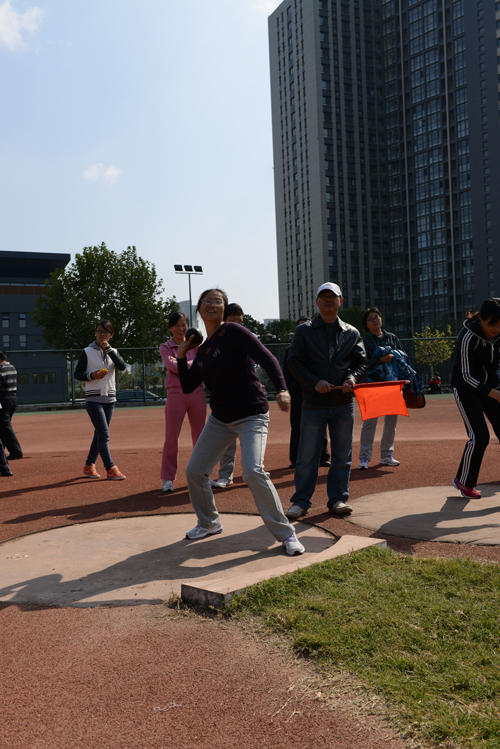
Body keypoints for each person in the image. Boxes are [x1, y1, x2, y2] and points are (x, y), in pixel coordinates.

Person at [177, 288, 304, 556]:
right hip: (220, 420)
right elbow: (188, 385)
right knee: (195, 471)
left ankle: (286, 533)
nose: (212, 304)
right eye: (207, 301)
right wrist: (181, 355)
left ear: (224, 308)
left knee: (252, 471)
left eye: (218, 301)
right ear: (199, 309)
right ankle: (209, 523)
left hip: (251, 414)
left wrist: (282, 388)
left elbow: (267, 357)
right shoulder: (203, 350)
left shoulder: (234, 331)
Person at [285, 282, 367, 518]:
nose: (328, 300)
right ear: (317, 302)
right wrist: (314, 382)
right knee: (307, 456)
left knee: (342, 455)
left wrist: (351, 378)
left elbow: (361, 363)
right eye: (324, 296)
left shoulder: (352, 332)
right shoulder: (304, 331)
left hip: (343, 404)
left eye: (333, 296)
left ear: (341, 301)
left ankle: (338, 499)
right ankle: (301, 501)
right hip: (313, 403)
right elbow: (293, 362)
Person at [451, 297, 500, 499]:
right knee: (479, 437)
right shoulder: (467, 336)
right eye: (492, 324)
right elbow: (465, 376)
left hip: (493, 385)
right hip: (466, 389)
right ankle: (464, 481)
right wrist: (495, 394)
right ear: (481, 319)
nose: (496, 329)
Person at [159, 312, 206, 492]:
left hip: (197, 393)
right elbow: (173, 366)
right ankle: (168, 479)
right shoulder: (165, 347)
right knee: (171, 439)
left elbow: (198, 363)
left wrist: (183, 361)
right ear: (170, 328)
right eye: (177, 325)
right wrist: (193, 363)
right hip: (175, 395)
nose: (181, 328)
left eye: (184, 324)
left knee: (200, 438)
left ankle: (202, 475)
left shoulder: (197, 344)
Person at [74, 320, 127, 480]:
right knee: (103, 433)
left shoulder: (113, 351)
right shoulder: (87, 351)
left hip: (110, 398)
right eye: (99, 331)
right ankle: (110, 467)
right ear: (95, 333)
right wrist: (92, 376)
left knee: (99, 433)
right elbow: (77, 374)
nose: (101, 334)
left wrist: (109, 350)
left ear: (111, 335)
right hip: (93, 399)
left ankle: (89, 464)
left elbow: (122, 366)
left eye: (105, 332)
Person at [357, 307, 403, 470]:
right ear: (366, 324)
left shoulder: (392, 338)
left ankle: (386, 455)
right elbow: (362, 364)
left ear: (381, 319)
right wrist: (381, 360)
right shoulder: (364, 341)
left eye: (377, 317)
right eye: (371, 318)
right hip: (373, 385)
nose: (375, 320)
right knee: (370, 423)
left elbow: (402, 358)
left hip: (392, 384)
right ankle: (364, 457)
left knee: (391, 423)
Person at [282, 317, 330, 469]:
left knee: (321, 422)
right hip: (298, 392)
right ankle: (295, 458)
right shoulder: (290, 350)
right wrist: (292, 389)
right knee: (297, 424)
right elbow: (286, 372)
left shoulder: (321, 348)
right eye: (300, 327)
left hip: (318, 391)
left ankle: (323, 457)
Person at [210, 303, 245, 489]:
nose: (237, 318)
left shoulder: (249, 337)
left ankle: (252, 473)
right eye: (233, 315)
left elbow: (257, 362)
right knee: (227, 442)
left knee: (250, 442)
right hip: (226, 398)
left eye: (240, 315)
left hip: (247, 398)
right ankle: (225, 476)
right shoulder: (218, 339)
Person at [0, 351, 23, 460]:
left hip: (3, 399)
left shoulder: (0, 369)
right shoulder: (12, 367)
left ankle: (16, 451)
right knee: (3, 427)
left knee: (5, 427)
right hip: (12, 398)